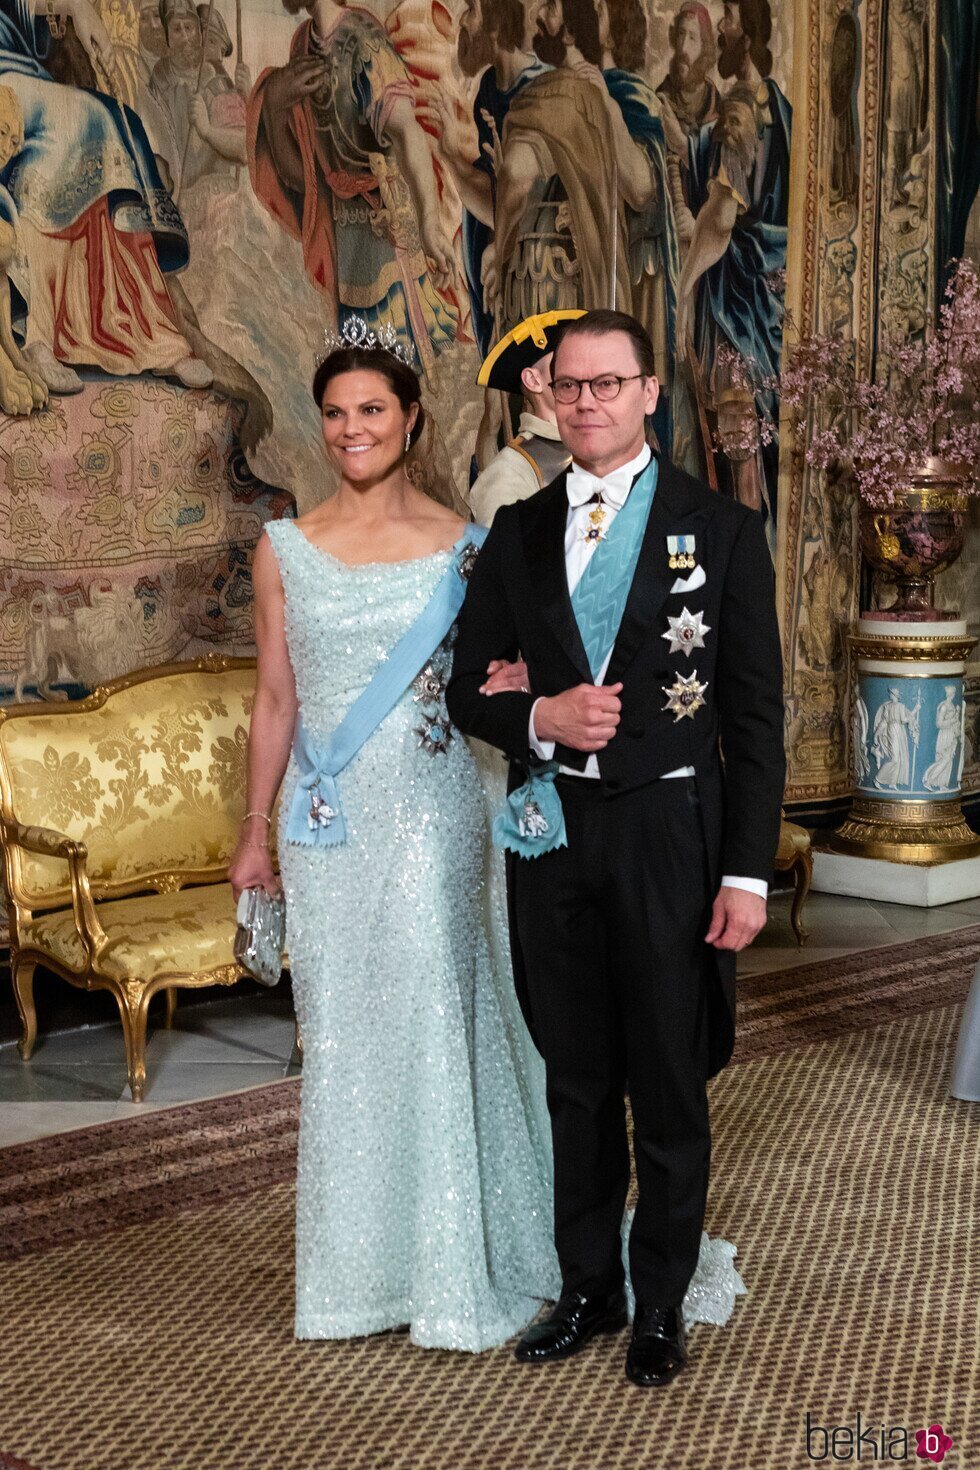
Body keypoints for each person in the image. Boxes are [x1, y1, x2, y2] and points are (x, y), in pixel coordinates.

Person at [447, 308, 785, 1387]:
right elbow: (467, 688)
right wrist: (539, 716)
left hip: (667, 836)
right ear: (549, 399)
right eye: (569, 387)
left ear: (648, 393)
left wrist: (744, 871)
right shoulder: (516, 532)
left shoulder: (717, 529)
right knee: (575, 1076)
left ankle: (659, 1301)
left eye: (608, 383)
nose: (585, 402)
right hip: (551, 836)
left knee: (667, 1078)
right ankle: (586, 1287)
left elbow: (752, 716)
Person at [228, 321, 559, 1350]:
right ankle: (355, 1275)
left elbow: (496, 676)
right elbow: (276, 700)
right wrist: (253, 839)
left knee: (428, 1013)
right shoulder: (280, 548)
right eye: (334, 413)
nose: (350, 429)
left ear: (410, 420)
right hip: (325, 828)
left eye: (370, 409)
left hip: (430, 811)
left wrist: (518, 683)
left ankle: (452, 1269)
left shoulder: (469, 544)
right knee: (342, 1042)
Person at [469, 309, 582, 527]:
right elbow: (507, 558)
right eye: (566, 360)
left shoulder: (599, 448)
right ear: (533, 380)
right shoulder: (509, 472)